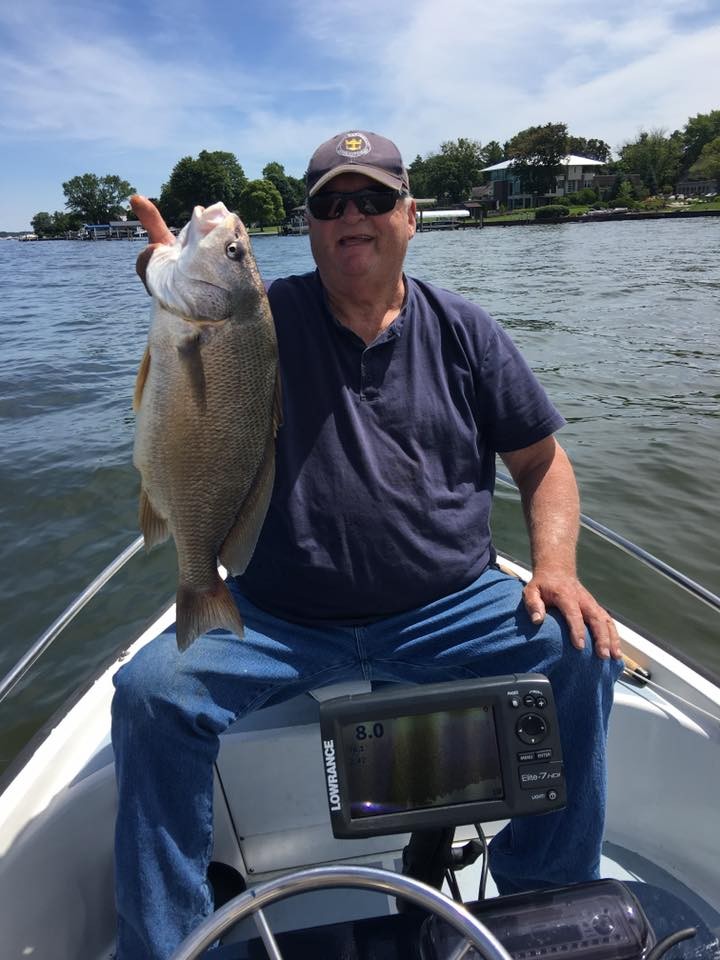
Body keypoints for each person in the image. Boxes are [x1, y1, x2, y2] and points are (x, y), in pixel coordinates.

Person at [113, 130, 624, 959]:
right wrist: (160, 269)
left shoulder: (465, 329)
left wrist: (556, 567)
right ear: (310, 228)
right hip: (279, 617)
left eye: (374, 198)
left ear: (410, 216)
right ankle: (167, 942)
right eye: (330, 204)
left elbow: (542, 461)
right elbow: (198, 306)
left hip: (449, 608)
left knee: (580, 652)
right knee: (150, 696)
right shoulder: (265, 316)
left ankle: (547, 893)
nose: (352, 216)